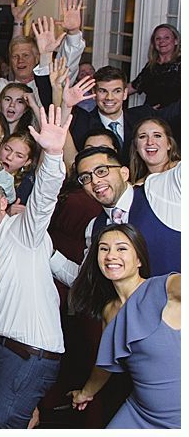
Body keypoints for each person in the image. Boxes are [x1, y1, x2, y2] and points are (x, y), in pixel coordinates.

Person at [0, 105, 72, 428]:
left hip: (29, 354)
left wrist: (53, 155)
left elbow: (43, 200)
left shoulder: (25, 231)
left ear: (3, 202)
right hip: (6, 353)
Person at [68, 224, 180, 428]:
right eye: (104, 249)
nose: (111, 255)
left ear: (139, 259)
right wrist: (85, 393)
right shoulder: (109, 311)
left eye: (121, 248)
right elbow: (105, 363)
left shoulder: (166, 288)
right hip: (140, 412)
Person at [75, 146, 180, 276]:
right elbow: (86, 279)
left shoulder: (157, 190)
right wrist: (48, 252)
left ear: (124, 173)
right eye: (85, 178)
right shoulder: (94, 227)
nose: (95, 181)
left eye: (102, 171)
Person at [129, 23, 179, 108]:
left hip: (174, 117)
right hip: (150, 115)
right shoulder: (151, 66)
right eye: (158, 38)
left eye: (167, 37)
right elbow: (134, 86)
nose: (162, 41)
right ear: (154, 43)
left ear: (175, 41)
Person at [127, 117, 179, 185]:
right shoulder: (138, 188)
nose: (150, 142)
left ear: (169, 143)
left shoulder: (181, 170)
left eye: (157, 136)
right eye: (143, 136)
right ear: (136, 146)